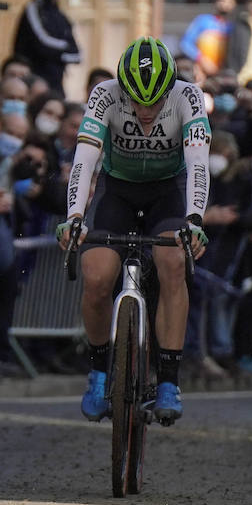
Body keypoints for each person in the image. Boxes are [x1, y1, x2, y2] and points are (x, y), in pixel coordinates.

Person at [55, 37, 210, 423]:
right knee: (96, 276)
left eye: (155, 102)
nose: (146, 111)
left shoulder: (189, 97)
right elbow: (84, 162)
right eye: (137, 102)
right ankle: (98, 371)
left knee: (173, 263)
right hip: (117, 190)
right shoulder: (103, 94)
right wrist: (74, 216)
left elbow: (198, 165)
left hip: (168, 193)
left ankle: (169, 381)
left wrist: (194, 221)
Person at [12, 0, 80, 95]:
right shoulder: (33, 9)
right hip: (33, 84)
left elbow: (77, 54)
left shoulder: (61, 16)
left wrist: (59, 53)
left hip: (56, 84)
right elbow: (42, 42)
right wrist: (64, 48)